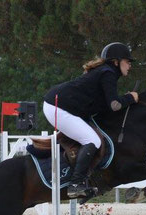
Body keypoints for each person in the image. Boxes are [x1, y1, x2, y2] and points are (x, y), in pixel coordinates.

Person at [43, 42, 139, 198]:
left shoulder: (105, 72)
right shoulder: (108, 73)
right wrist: (131, 98)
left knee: (92, 136)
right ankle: (75, 185)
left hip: (58, 105)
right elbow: (114, 105)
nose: (130, 66)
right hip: (58, 108)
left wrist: (126, 99)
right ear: (116, 61)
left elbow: (107, 106)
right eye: (127, 62)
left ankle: (85, 178)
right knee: (93, 140)